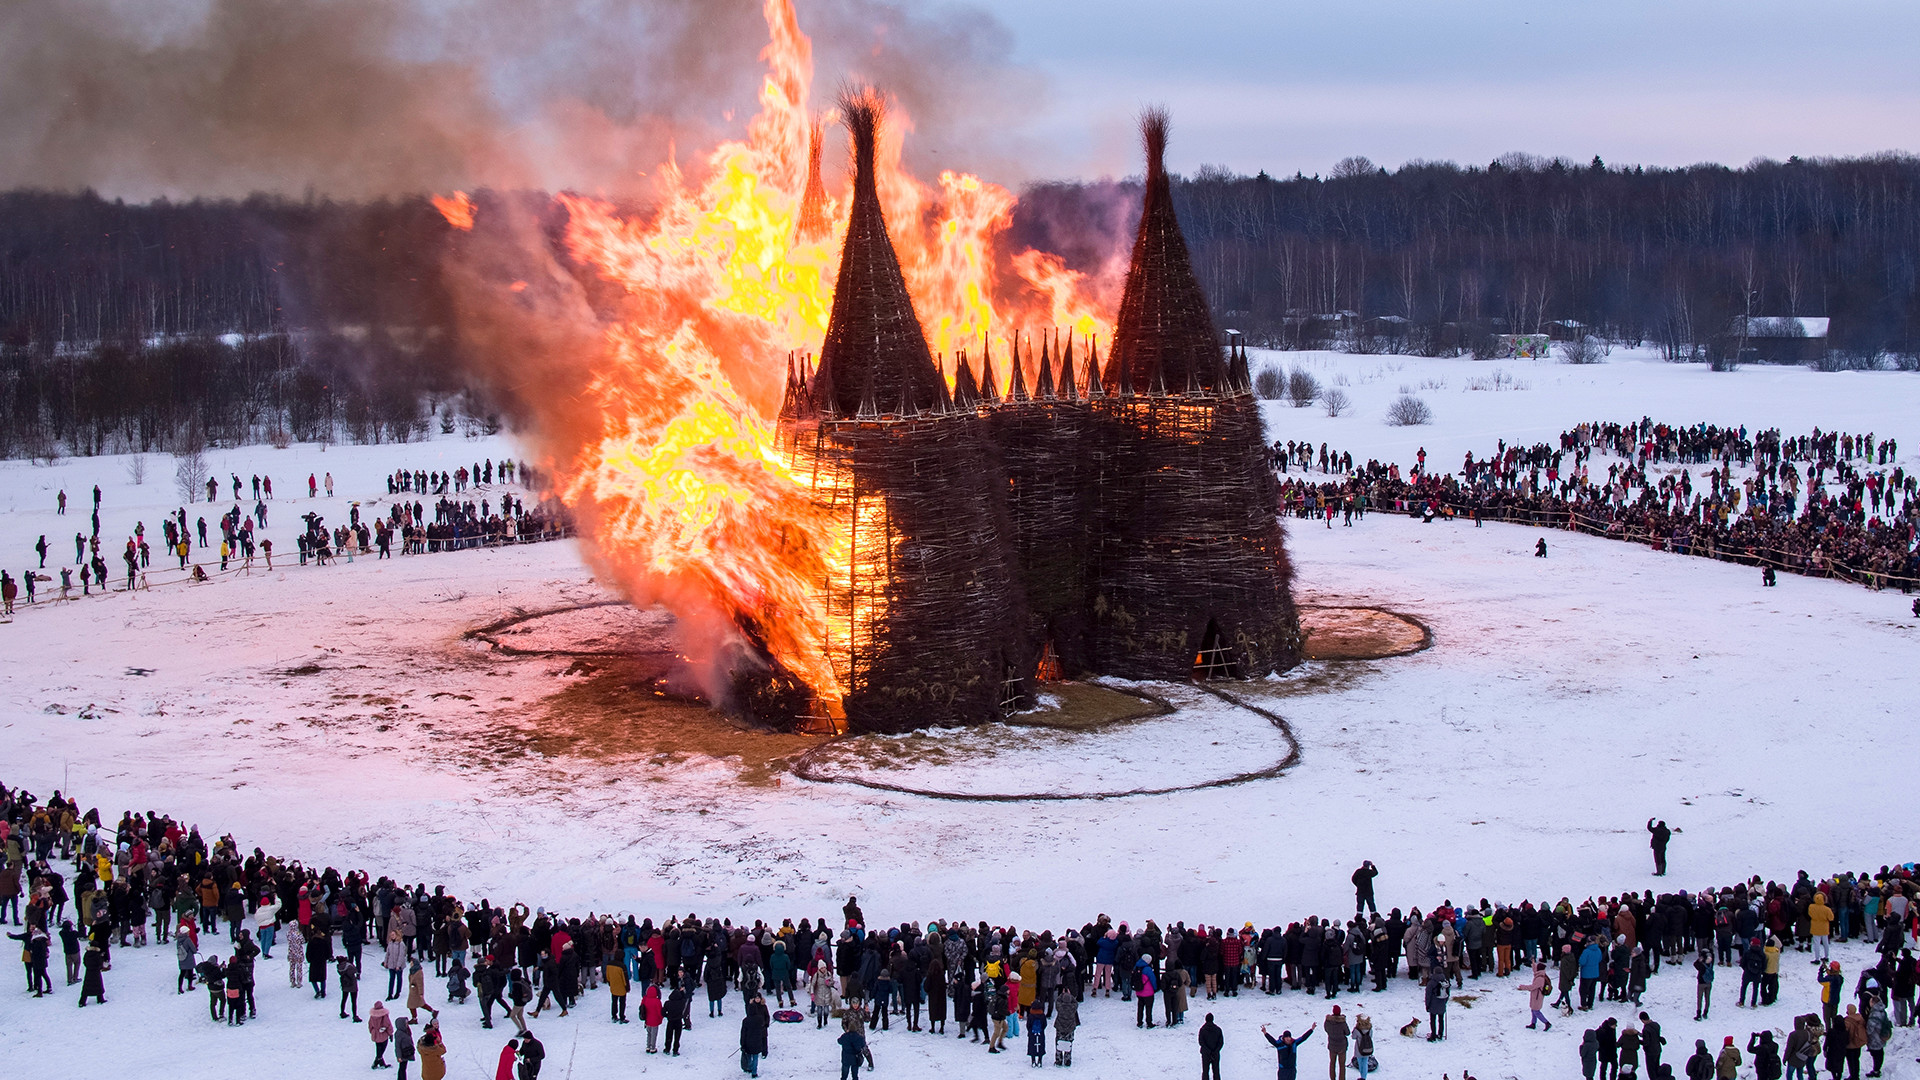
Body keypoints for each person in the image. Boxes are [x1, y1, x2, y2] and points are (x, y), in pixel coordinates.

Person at [740, 991, 770, 1077]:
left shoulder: (746, 1021)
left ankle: (750, 1067)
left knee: (749, 1056)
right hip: (757, 1041)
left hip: (748, 1042)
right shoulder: (759, 1019)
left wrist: (742, 1044)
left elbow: (743, 1033)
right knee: (755, 1057)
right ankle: (754, 1071)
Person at [1522, 960, 1554, 1030]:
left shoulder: (1539, 978)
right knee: (1533, 1010)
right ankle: (1533, 1023)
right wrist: (1533, 962)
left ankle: (1546, 1023)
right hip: (1536, 996)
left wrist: (1522, 987)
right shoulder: (1541, 974)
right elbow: (1535, 969)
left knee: (1536, 1011)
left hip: (1537, 997)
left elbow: (1532, 987)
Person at [1324, 1005, 1351, 1080]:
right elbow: (1348, 1033)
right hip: (1342, 1046)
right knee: (1342, 1065)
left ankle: (1332, 1078)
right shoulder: (1342, 1023)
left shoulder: (1328, 1021)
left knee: (1332, 1063)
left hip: (1332, 1045)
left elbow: (1326, 1029)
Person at [1200, 1012, 1225, 1080]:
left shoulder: (1202, 1030)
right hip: (1215, 1054)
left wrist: (1208, 1051)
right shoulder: (1218, 1030)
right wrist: (1215, 1051)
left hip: (1205, 1054)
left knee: (1205, 1072)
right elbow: (1221, 1043)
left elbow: (1201, 1042)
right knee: (1216, 1072)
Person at [1425, 969, 1450, 1040]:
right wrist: (1444, 1002)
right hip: (1442, 1004)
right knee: (1441, 1020)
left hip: (1433, 1004)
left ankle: (1433, 1035)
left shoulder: (1431, 982)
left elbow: (1428, 995)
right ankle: (1440, 1034)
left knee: (1433, 1020)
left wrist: (1427, 1005)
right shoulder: (1445, 982)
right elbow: (1448, 994)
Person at [369, 1001, 394, 1069]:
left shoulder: (372, 1015)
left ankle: (380, 1063)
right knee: (382, 1048)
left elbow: (370, 1025)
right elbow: (387, 1024)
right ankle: (377, 1062)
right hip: (383, 1034)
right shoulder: (384, 1015)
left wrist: (372, 1032)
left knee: (378, 1047)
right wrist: (390, 1033)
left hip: (375, 1034)